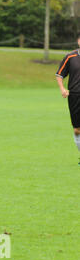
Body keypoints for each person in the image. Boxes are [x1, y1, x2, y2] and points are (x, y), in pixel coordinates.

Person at [55, 34, 80, 164]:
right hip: (75, 96)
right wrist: (62, 88)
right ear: (78, 41)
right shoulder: (70, 57)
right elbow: (59, 74)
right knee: (77, 129)